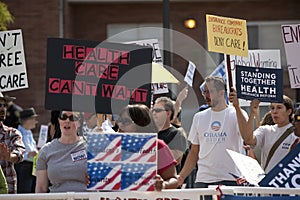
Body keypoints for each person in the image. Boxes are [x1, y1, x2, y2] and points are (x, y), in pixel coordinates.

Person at [177, 76, 247, 190]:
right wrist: (181, 176)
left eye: (209, 92)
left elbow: (247, 138)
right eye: (205, 92)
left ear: (221, 93)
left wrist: (239, 108)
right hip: (203, 180)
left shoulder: (237, 113)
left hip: (230, 179)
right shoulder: (199, 117)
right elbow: (194, 152)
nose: (206, 96)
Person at [230, 91, 298, 173]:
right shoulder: (266, 130)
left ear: (289, 111)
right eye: (272, 108)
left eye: (279, 107)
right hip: (268, 182)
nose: (274, 111)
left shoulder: (296, 132)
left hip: (287, 181)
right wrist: (252, 113)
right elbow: (248, 140)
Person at [117, 104, 178, 191]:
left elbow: (174, 180)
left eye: (126, 121)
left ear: (141, 124)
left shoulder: (158, 146)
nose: (120, 125)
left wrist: (163, 184)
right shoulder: (111, 146)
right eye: (119, 120)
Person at [35, 110, 87, 193]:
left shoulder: (91, 148)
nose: (67, 121)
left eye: (72, 118)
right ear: (59, 120)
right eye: (63, 117)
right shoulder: (46, 150)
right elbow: (41, 188)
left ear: (80, 123)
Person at [152, 96, 188, 171]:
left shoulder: (177, 134)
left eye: (158, 110)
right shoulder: (150, 133)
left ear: (168, 113)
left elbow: (176, 160)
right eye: (153, 110)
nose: (154, 113)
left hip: (168, 179)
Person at [0, 92, 25, 194]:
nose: (2, 109)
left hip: (6, 194)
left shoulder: (12, 133)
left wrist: (10, 156)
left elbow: (20, 152)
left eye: (4, 105)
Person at [15, 107, 39, 193]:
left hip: (31, 166)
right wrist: (28, 155)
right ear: (28, 120)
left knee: (31, 191)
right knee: (24, 191)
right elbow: (15, 153)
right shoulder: (17, 134)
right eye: (34, 119)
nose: (36, 121)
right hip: (23, 166)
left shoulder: (29, 133)